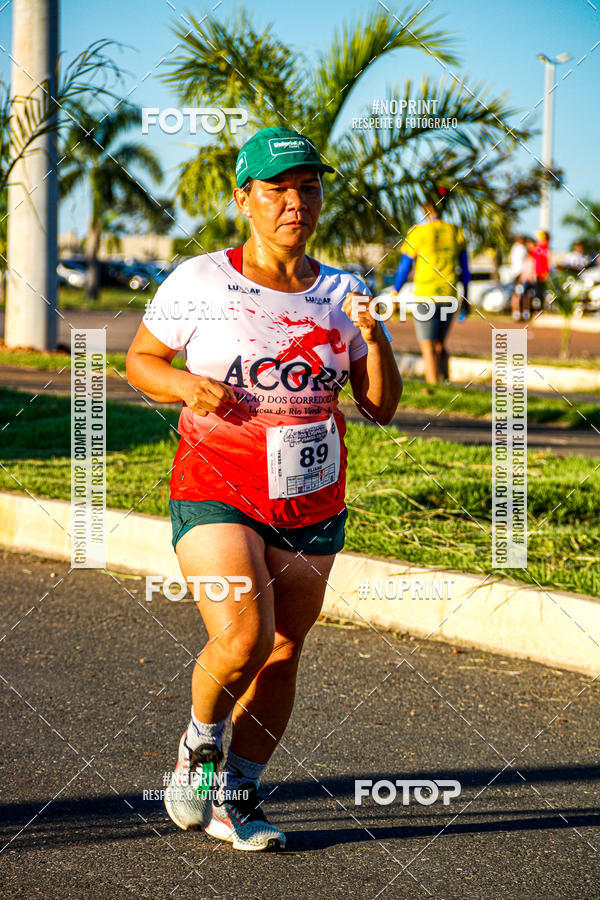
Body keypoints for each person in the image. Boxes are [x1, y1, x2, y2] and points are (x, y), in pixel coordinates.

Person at [126, 125, 403, 851]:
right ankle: (199, 745)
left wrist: (375, 338)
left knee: (282, 650)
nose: (294, 203)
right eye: (277, 189)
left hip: (310, 496)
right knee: (243, 637)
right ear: (244, 199)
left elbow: (379, 406)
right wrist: (185, 385)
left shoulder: (345, 292)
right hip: (217, 486)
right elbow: (141, 360)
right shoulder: (201, 281)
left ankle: (237, 799)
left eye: (308, 189)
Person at [392, 187, 470, 384]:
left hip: (425, 295)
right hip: (449, 294)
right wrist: (466, 297)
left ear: (426, 207)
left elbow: (404, 267)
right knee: (440, 344)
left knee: (427, 347)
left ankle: (434, 386)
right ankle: (446, 383)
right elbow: (465, 270)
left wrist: (395, 293)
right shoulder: (456, 232)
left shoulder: (418, 232)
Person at [510, 236, 536, 321]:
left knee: (519, 294)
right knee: (522, 294)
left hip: (519, 274)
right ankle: (521, 313)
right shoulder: (521, 248)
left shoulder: (514, 248)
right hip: (521, 274)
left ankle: (518, 313)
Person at [533, 230, 551, 311]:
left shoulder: (545, 248)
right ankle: (537, 308)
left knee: (540, 292)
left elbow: (547, 261)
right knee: (537, 291)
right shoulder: (539, 247)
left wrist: (546, 272)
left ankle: (540, 309)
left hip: (542, 273)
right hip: (537, 273)